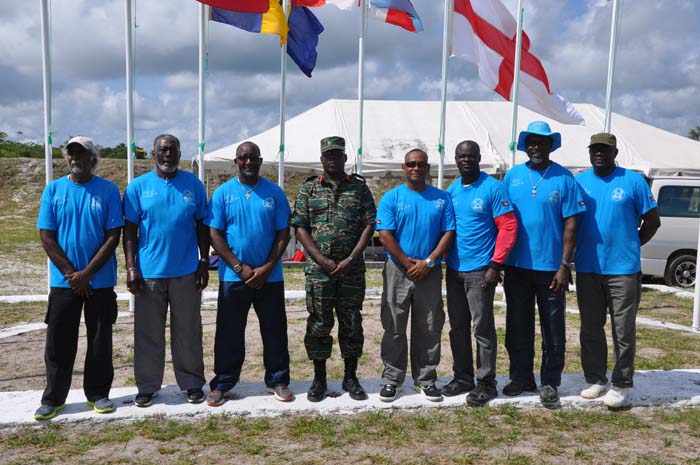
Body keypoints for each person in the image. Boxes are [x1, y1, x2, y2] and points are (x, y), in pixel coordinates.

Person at [34, 136, 124, 420]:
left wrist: (87, 274)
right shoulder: (53, 190)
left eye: (81, 154)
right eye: (70, 154)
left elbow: (113, 237)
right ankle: (53, 398)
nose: (75, 159)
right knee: (59, 341)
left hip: (99, 281)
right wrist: (72, 274)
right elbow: (47, 237)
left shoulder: (108, 191)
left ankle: (98, 394)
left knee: (99, 340)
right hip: (64, 283)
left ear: (92, 159)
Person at [502, 121, 585, 409]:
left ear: (551, 145)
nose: (536, 147)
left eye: (542, 142)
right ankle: (521, 377)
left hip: (551, 269)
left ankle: (550, 382)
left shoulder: (564, 179)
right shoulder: (511, 177)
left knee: (553, 329)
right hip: (516, 266)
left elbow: (572, 223)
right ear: (526, 145)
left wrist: (565, 264)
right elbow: (501, 221)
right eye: (532, 142)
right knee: (517, 326)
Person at [574, 133, 660, 408]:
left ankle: (622, 383)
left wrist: (632, 244)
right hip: (588, 267)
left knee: (623, 329)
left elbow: (652, 221)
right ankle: (596, 378)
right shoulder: (579, 182)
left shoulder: (633, 181)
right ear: (590, 152)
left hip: (623, 269)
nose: (599, 154)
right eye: (595, 149)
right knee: (590, 328)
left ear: (615, 152)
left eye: (605, 150)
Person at [123, 134, 209, 407]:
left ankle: (192, 383)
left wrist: (204, 261)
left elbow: (202, 226)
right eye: (163, 150)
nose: (168, 154)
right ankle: (148, 386)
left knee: (188, 331)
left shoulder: (193, 184)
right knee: (148, 333)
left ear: (179, 153)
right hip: (149, 274)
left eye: (173, 150)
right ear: (153, 154)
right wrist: (131, 267)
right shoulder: (138, 187)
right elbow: (130, 231)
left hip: (185, 271)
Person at [206, 141, 293, 406]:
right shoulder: (222, 193)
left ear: (259, 160)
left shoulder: (274, 193)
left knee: (275, 330)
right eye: (242, 158)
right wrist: (238, 267)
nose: (247, 162)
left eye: (252, 157)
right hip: (234, 277)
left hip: (270, 276)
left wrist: (266, 267)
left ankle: (278, 380)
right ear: (236, 161)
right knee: (229, 332)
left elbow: (283, 233)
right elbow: (215, 234)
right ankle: (223, 382)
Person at [291, 136, 376, 402]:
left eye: (337, 155)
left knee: (351, 322)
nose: (332, 159)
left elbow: (369, 225)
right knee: (318, 322)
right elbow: (300, 227)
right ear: (321, 159)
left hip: (351, 269)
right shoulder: (309, 189)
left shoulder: (359, 189)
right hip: (319, 271)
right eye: (328, 155)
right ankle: (319, 379)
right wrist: (321, 260)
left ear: (344, 158)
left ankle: (351, 377)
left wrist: (350, 259)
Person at [376, 149, 455, 403]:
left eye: (421, 164)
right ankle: (392, 378)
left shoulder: (442, 199)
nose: (416, 168)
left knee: (430, 326)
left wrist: (429, 262)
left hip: (430, 271)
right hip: (398, 270)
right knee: (394, 325)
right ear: (403, 167)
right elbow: (385, 235)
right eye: (411, 164)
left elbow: (448, 233)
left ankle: (427, 379)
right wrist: (408, 262)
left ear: (427, 167)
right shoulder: (391, 198)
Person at [444, 141, 518, 407]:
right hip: (454, 271)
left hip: (481, 272)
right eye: (461, 156)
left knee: (482, 329)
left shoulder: (493, 189)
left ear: (478, 158)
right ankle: (463, 378)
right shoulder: (452, 191)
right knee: (458, 328)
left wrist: (495, 265)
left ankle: (486, 382)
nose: (466, 160)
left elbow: (508, 227)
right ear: (456, 158)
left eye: (471, 156)